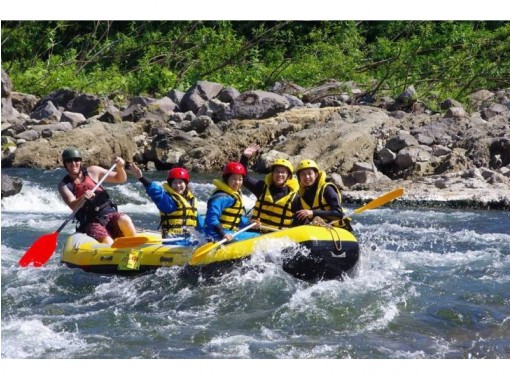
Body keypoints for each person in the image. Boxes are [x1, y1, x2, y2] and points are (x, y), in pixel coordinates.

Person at [57, 147, 137, 244]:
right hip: (91, 221)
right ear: (65, 164)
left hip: (109, 213)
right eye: (69, 161)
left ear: (80, 161)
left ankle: (135, 247)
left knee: (125, 219)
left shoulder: (93, 171)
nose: (73, 163)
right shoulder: (64, 185)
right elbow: (73, 206)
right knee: (108, 242)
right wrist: (83, 197)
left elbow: (120, 179)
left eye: (76, 160)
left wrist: (120, 167)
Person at [129, 163, 204, 239]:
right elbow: (156, 192)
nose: (178, 186)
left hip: (189, 239)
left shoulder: (190, 200)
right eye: (174, 183)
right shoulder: (169, 200)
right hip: (173, 240)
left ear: (186, 184)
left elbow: (201, 224)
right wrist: (141, 178)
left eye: (180, 182)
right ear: (170, 185)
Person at [240, 143, 299, 230]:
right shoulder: (261, 187)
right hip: (256, 233)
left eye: (283, 172)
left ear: (289, 176)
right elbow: (244, 178)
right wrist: (244, 158)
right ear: (272, 174)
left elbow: (301, 220)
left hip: (278, 238)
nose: (279, 174)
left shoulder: (295, 197)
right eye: (277, 171)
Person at [204, 161, 261, 242]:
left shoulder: (234, 195)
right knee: (257, 237)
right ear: (227, 179)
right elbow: (211, 219)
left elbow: (235, 218)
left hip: (229, 232)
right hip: (218, 234)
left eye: (240, 179)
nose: (237, 182)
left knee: (256, 233)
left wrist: (250, 224)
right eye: (234, 178)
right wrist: (223, 233)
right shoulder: (221, 197)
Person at [291, 159, 352, 231]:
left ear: (316, 175)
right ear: (299, 177)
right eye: (303, 174)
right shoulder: (300, 196)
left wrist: (313, 213)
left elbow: (338, 214)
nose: (306, 177)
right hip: (320, 231)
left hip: (340, 230)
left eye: (309, 173)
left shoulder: (327, 189)